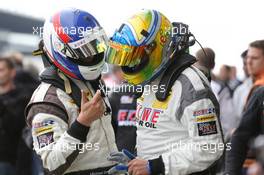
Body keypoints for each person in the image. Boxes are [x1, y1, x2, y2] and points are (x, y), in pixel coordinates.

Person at [106, 9, 224, 175]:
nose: (131, 64)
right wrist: (138, 160)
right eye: (128, 57)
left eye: (135, 56)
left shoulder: (190, 86)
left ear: (156, 47)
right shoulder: (151, 80)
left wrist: (155, 166)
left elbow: (210, 147)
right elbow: (161, 134)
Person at [25, 8, 117, 175]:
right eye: (84, 50)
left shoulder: (91, 83)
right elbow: (51, 164)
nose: (92, 55)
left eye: (95, 46)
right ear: (60, 49)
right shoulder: (46, 101)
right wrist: (82, 123)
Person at [225, 40, 264, 175]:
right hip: (247, 160)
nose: (249, 62)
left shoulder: (260, 90)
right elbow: (240, 131)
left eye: (255, 58)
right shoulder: (242, 90)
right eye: (247, 58)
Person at [0, 56, 32, 175]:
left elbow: (17, 124)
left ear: (12, 72)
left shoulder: (23, 97)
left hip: (12, 159)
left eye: (1, 70)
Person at [232, 50, 253, 126]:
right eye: (244, 64)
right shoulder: (240, 91)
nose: (244, 68)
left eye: (246, 64)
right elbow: (236, 119)